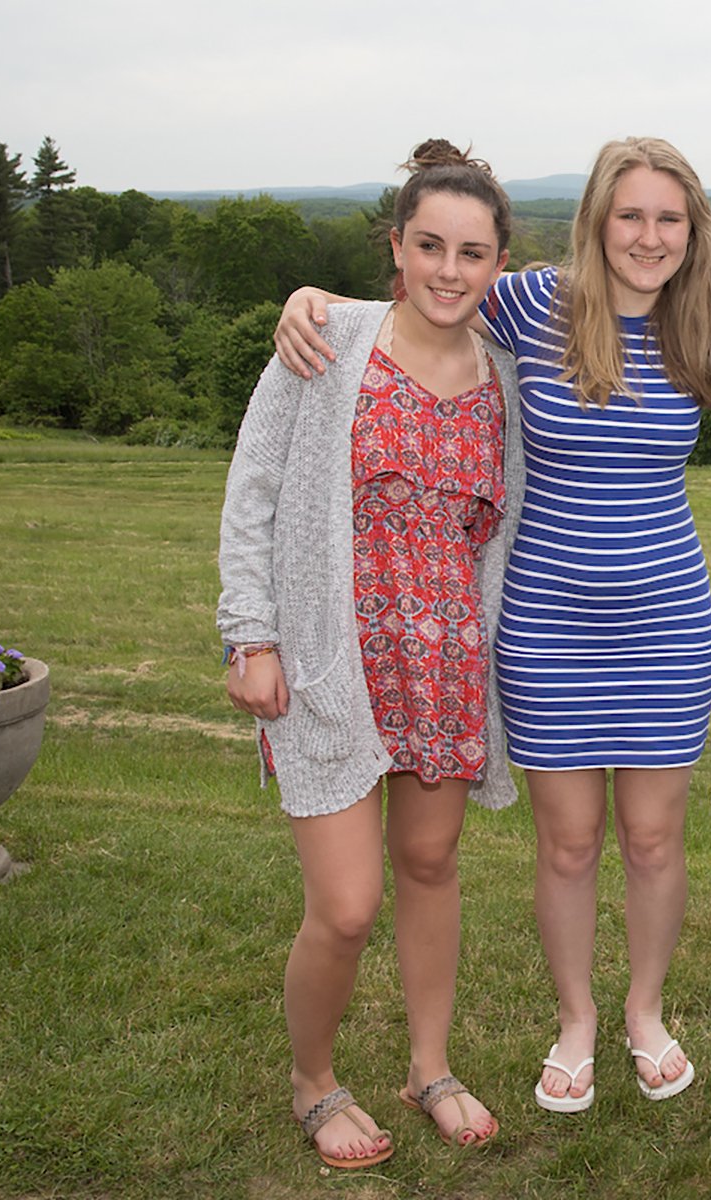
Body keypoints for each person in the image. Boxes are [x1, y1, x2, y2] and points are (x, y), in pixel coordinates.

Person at [272, 137, 711, 1112]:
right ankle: (577, 1021)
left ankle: (644, 1011)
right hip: (547, 621)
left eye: (669, 219)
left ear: (694, 231)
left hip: (666, 621)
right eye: (629, 215)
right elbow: (411, 305)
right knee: (568, 843)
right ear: (597, 220)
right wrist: (310, 301)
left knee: (653, 839)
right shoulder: (531, 304)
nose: (647, 237)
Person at [220, 139, 519, 1166]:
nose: (448, 268)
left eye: (472, 252)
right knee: (345, 907)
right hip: (331, 665)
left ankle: (429, 1066)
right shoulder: (328, 340)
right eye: (429, 244)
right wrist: (249, 636)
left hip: (445, 668)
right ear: (396, 246)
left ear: (498, 264)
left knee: (431, 864)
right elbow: (254, 489)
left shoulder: (506, 377)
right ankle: (314, 1081)